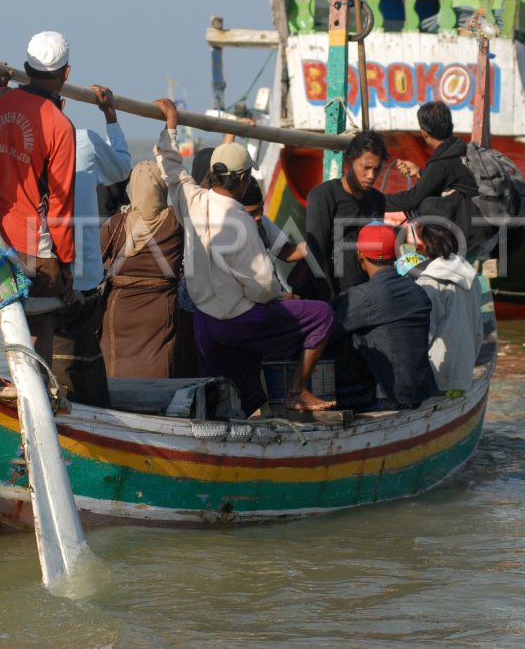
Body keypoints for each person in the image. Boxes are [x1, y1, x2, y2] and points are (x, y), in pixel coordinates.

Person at [154, 98, 336, 414]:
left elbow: (170, 165)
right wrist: (281, 298)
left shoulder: (192, 200)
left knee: (238, 391)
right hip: (237, 321)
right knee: (322, 315)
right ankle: (297, 391)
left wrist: (171, 125)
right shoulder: (240, 222)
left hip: (205, 322)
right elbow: (263, 285)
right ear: (242, 180)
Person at [0, 30, 77, 383]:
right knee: (41, 321)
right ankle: (39, 393)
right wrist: (66, 263)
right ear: (66, 74)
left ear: (25, 68)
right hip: (34, 244)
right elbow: (61, 203)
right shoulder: (60, 125)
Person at [46, 85, 131, 407]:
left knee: (49, 352)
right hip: (78, 276)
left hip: (37, 273)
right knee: (80, 356)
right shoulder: (84, 140)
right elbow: (122, 167)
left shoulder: (25, 142)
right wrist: (109, 114)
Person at [328, 223, 436, 408]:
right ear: (395, 255)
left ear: (360, 255)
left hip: (388, 397)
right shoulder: (418, 291)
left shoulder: (362, 296)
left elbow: (326, 334)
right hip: (422, 390)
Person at [99, 160, 184, 378]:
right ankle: (158, 407)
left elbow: (92, 263)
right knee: (158, 361)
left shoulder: (115, 223)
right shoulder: (176, 221)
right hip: (160, 309)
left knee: (115, 365)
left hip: (118, 309)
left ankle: (114, 407)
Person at [299, 130, 389, 301]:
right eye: (366, 168)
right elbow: (316, 252)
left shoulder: (378, 200)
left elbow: (376, 254)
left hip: (365, 295)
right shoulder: (323, 196)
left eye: (376, 169)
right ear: (350, 160)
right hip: (330, 296)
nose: (371, 176)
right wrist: (330, 299)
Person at [408, 200, 484, 392]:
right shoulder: (470, 275)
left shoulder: (429, 282)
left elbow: (423, 336)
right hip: (462, 377)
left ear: (423, 238)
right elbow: (478, 331)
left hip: (437, 379)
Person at [385, 101, 479, 251]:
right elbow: (449, 177)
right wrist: (420, 172)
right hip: (485, 225)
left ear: (424, 133)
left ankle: (442, 252)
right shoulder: (461, 150)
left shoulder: (442, 162)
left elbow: (411, 199)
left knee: (427, 205)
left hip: (473, 234)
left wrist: (375, 200)